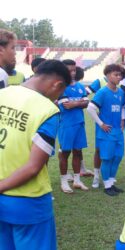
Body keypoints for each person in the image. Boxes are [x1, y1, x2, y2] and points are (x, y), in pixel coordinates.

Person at [0, 60, 71, 250]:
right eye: (60, 93)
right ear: (57, 84)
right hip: (28, 202)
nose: (56, 98)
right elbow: (33, 167)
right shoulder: (47, 110)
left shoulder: (2, 93)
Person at [87, 64, 125, 196]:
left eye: (120, 75)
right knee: (107, 158)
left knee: (118, 157)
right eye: (116, 74)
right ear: (108, 75)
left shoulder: (120, 92)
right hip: (107, 132)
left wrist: (122, 120)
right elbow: (90, 108)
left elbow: (122, 107)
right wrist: (101, 123)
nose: (119, 77)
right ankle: (107, 186)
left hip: (118, 131)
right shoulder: (102, 92)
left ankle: (111, 182)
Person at [57, 59, 89, 193]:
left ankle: (77, 180)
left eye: (74, 70)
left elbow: (87, 102)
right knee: (65, 153)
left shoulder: (80, 86)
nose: (72, 73)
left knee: (77, 151)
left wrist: (77, 103)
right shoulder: (60, 86)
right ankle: (64, 182)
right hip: (66, 124)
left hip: (80, 123)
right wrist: (79, 103)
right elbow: (66, 105)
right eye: (69, 70)